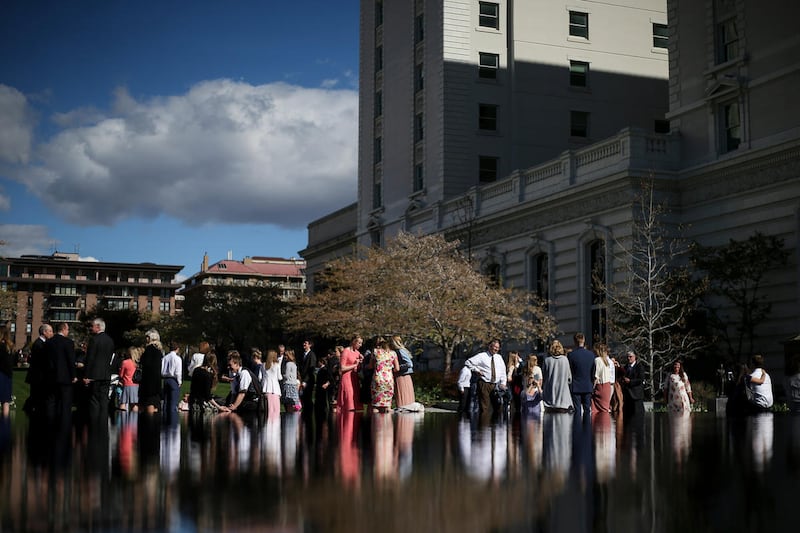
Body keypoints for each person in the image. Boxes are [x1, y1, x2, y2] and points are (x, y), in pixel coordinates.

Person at [82, 317, 116, 419]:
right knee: (104, 400)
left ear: (98, 327)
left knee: (94, 400)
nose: (91, 328)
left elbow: (90, 359)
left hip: (94, 376)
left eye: (92, 326)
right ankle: (103, 422)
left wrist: (86, 375)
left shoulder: (94, 340)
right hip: (106, 375)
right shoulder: (110, 340)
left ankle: (95, 423)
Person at [45, 322, 77, 422]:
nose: (68, 332)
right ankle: (63, 425)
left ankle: (50, 424)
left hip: (50, 377)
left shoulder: (48, 342)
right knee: (65, 403)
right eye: (67, 330)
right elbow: (70, 361)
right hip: (65, 378)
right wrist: (74, 376)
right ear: (63, 329)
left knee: (51, 402)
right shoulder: (68, 343)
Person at [464, 339, 507, 417]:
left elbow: (503, 371)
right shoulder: (482, 356)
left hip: (496, 385)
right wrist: (476, 370)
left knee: (498, 407)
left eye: (498, 347)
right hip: (484, 383)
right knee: (485, 407)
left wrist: (503, 383)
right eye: (495, 347)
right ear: (490, 346)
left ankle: (495, 426)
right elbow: (468, 362)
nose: (496, 349)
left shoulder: (499, 357)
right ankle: (484, 427)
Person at [24, 323, 53, 415]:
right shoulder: (39, 344)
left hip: (38, 377)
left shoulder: (41, 343)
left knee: (37, 397)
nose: (52, 333)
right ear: (44, 332)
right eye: (50, 331)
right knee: (37, 397)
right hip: (38, 377)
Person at [568, 332, 596, 418]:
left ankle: (577, 429)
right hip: (587, 385)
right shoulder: (591, 355)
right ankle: (587, 429)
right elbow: (593, 371)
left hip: (576, 385)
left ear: (575, 341)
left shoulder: (571, 355)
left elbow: (570, 371)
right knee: (587, 410)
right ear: (584, 340)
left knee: (577, 410)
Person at [370, 337, 399, 413]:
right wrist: (389, 369)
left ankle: (375, 422)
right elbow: (397, 368)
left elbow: (370, 366)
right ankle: (387, 422)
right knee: (387, 406)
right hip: (388, 379)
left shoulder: (375, 351)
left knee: (376, 406)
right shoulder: (393, 353)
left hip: (378, 378)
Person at [541, 340, 573, 412]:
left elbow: (544, 376)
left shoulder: (547, 360)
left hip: (549, 398)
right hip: (563, 400)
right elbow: (569, 378)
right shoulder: (565, 360)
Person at [139, 329, 164, 415]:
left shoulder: (149, 350)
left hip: (148, 383)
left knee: (149, 403)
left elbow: (146, 365)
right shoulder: (159, 351)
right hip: (156, 382)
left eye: (147, 337)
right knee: (155, 404)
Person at [338, 335, 364, 412]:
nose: (360, 345)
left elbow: (358, 368)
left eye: (361, 343)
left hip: (354, 379)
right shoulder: (346, 351)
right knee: (348, 401)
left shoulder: (357, 353)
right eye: (359, 343)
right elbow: (342, 368)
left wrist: (360, 363)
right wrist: (354, 365)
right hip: (347, 379)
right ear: (353, 341)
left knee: (354, 402)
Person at [390, 336, 416, 409]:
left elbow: (409, 364)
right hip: (402, 376)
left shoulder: (400, 351)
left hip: (403, 376)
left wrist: (397, 367)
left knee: (403, 396)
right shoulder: (400, 351)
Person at [161, 341, 183, 414]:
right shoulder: (177, 358)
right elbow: (178, 372)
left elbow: (162, 370)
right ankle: (172, 420)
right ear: (177, 349)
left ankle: (165, 420)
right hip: (173, 380)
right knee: (173, 402)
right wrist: (179, 382)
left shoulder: (165, 358)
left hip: (166, 379)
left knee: (166, 401)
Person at [622, 350, 645, 418]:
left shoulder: (639, 367)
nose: (629, 358)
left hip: (636, 395)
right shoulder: (625, 367)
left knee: (638, 415)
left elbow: (641, 379)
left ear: (635, 357)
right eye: (627, 357)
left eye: (630, 357)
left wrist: (630, 381)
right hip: (627, 395)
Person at [592, 343, 614, 413]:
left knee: (596, 410)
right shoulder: (606, 361)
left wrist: (592, 388)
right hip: (607, 386)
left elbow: (596, 377)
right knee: (604, 409)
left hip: (600, 387)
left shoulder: (597, 360)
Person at [118, 346, 141, 412]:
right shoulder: (137, 363)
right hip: (136, 385)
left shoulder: (125, 362)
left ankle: (123, 418)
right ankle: (134, 420)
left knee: (123, 402)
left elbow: (121, 375)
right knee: (134, 404)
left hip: (127, 384)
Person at [299, 340, 317, 414]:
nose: (304, 344)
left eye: (305, 343)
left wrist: (305, 381)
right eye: (304, 343)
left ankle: (310, 412)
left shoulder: (312, 355)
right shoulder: (303, 354)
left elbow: (311, 369)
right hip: (302, 378)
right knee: (303, 397)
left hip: (308, 380)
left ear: (310, 345)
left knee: (308, 397)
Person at [263, 349, 282, 418]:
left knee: (269, 408)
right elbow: (279, 377)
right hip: (275, 389)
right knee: (276, 408)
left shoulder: (264, 365)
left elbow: (260, 377)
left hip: (267, 388)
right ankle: (275, 426)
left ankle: (269, 426)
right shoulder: (277, 365)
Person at [0, 325, 14, 416]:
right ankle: (5, 424)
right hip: (6, 375)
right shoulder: (9, 347)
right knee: (5, 401)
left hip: (1, 373)